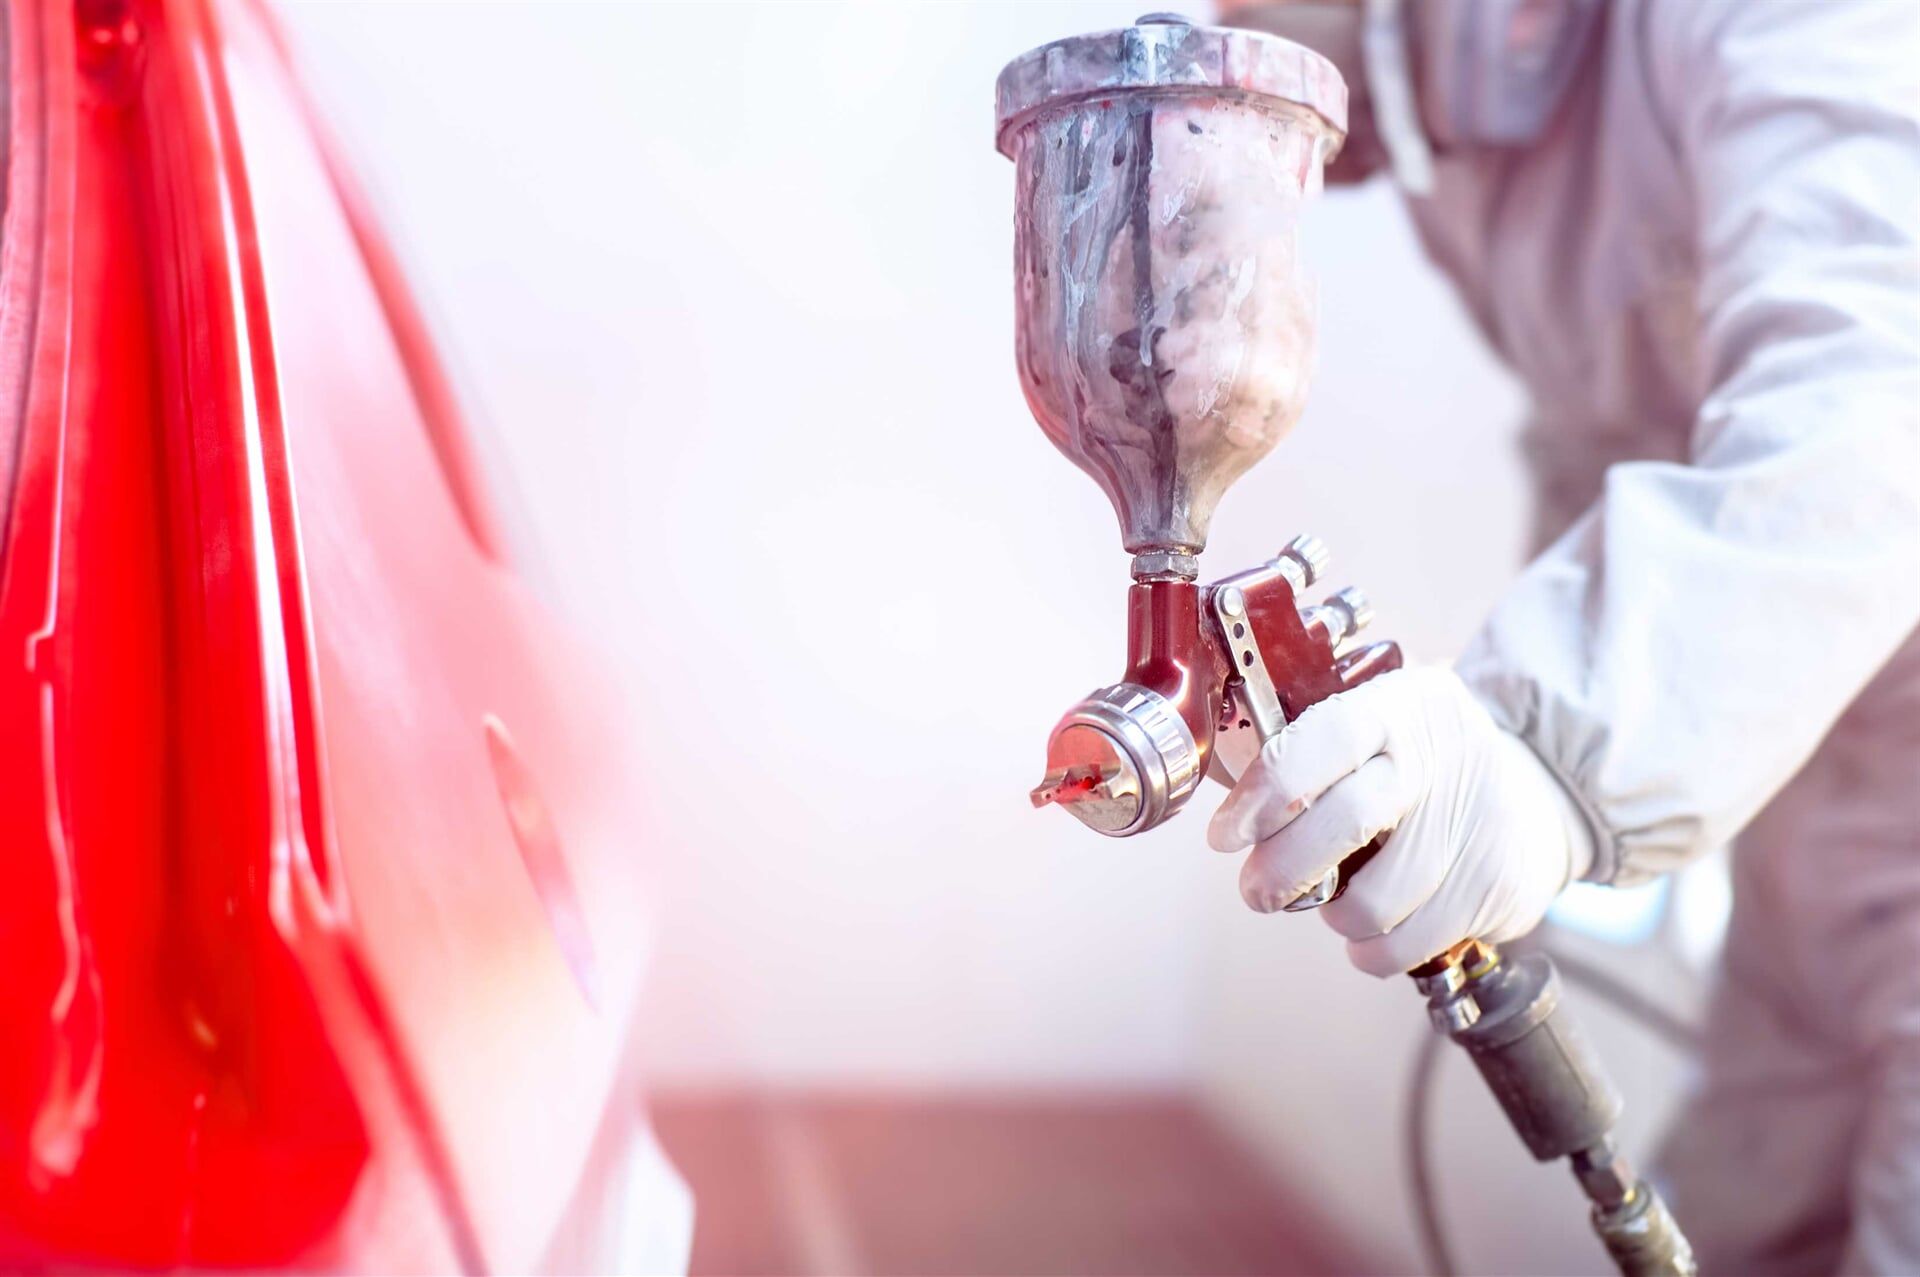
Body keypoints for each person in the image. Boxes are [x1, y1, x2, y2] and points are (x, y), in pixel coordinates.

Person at [1208, 1, 1920, 1271]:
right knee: (1754, 1221)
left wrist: (1550, 747)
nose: (1224, 26)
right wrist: (1480, 755)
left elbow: (1876, 396)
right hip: (1813, 816)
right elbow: (1611, 432)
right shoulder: (1457, 117)